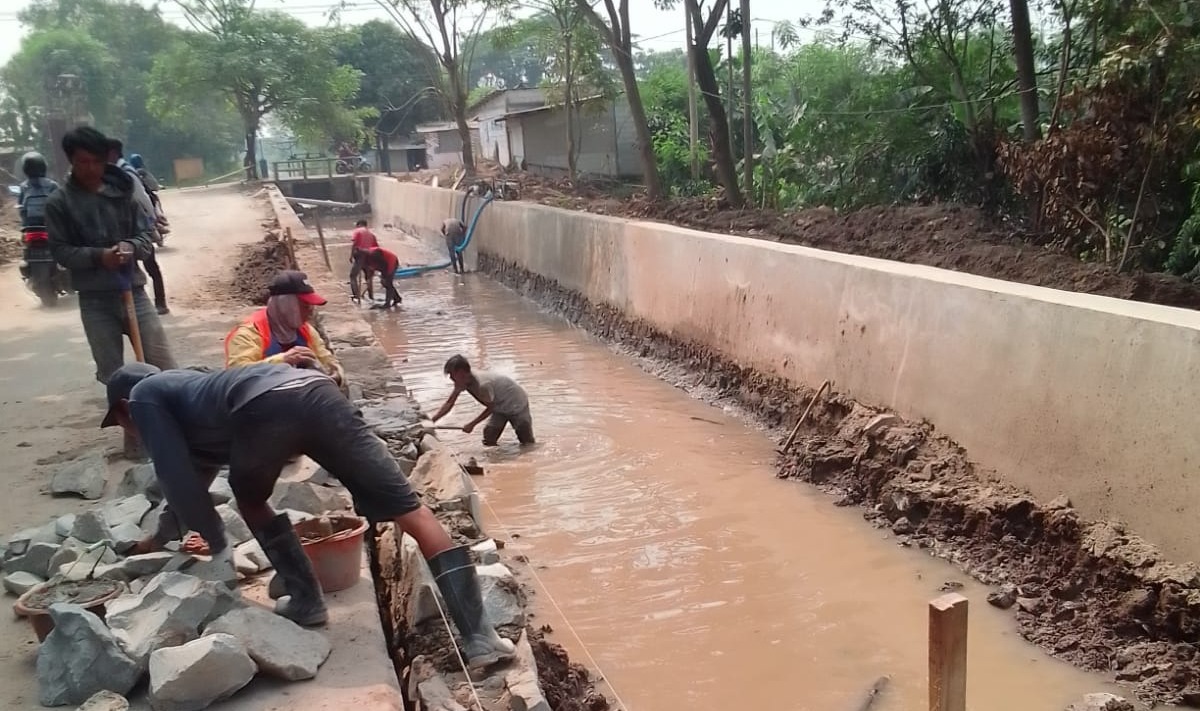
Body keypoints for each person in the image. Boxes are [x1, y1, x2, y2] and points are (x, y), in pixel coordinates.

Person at [101, 361, 517, 668]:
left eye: (123, 425)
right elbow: (194, 476)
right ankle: (480, 639)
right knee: (412, 511)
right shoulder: (192, 385)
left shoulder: (144, 397)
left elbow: (173, 474)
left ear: (124, 406)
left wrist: (218, 542)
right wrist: (155, 540)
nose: (130, 433)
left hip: (268, 409)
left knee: (250, 499)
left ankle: (306, 601)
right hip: (318, 391)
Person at [46, 126, 177, 386]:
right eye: (83, 161)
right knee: (114, 376)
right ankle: (130, 423)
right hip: (95, 301)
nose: (91, 168)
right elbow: (61, 252)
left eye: (97, 161)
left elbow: (145, 236)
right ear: (71, 160)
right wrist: (98, 256)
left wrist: (130, 246)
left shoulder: (123, 192)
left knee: (165, 366)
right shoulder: (59, 203)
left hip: (134, 293)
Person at [225, 270, 345, 386]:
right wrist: (283, 359)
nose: (310, 312)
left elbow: (328, 360)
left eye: (311, 307)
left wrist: (337, 375)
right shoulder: (249, 333)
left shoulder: (306, 330)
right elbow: (237, 375)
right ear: (286, 306)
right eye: (304, 306)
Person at [108, 139, 169, 314]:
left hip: (138, 226)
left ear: (112, 153)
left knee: (150, 265)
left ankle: (160, 302)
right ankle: (132, 307)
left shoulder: (127, 173)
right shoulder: (115, 172)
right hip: (124, 228)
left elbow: (142, 199)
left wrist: (151, 222)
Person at [432, 355, 534, 446]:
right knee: (489, 437)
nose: (451, 378)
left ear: (462, 373)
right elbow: (449, 403)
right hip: (499, 405)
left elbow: (490, 408)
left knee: (526, 441)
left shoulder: (482, 385)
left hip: (517, 403)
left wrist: (472, 424)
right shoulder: (462, 382)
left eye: (452, 375)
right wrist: (432, 421)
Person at [18, 151, 59, 231]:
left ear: (25, 169)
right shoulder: (52, 185)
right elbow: (60, 203)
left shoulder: (24, 186)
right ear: (44, 167)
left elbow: (21, 205)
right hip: (50, 224)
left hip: (30, 225)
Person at [348, 219, 378, 302]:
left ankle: (356, 296)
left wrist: (351, 256)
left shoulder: (357, 231)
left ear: (358, 225)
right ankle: (371, 296)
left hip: (360, 254)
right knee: (369, 277)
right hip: (369, 255)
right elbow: (376, 248)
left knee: (353, 276)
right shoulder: (372, 234)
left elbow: (354, 244)